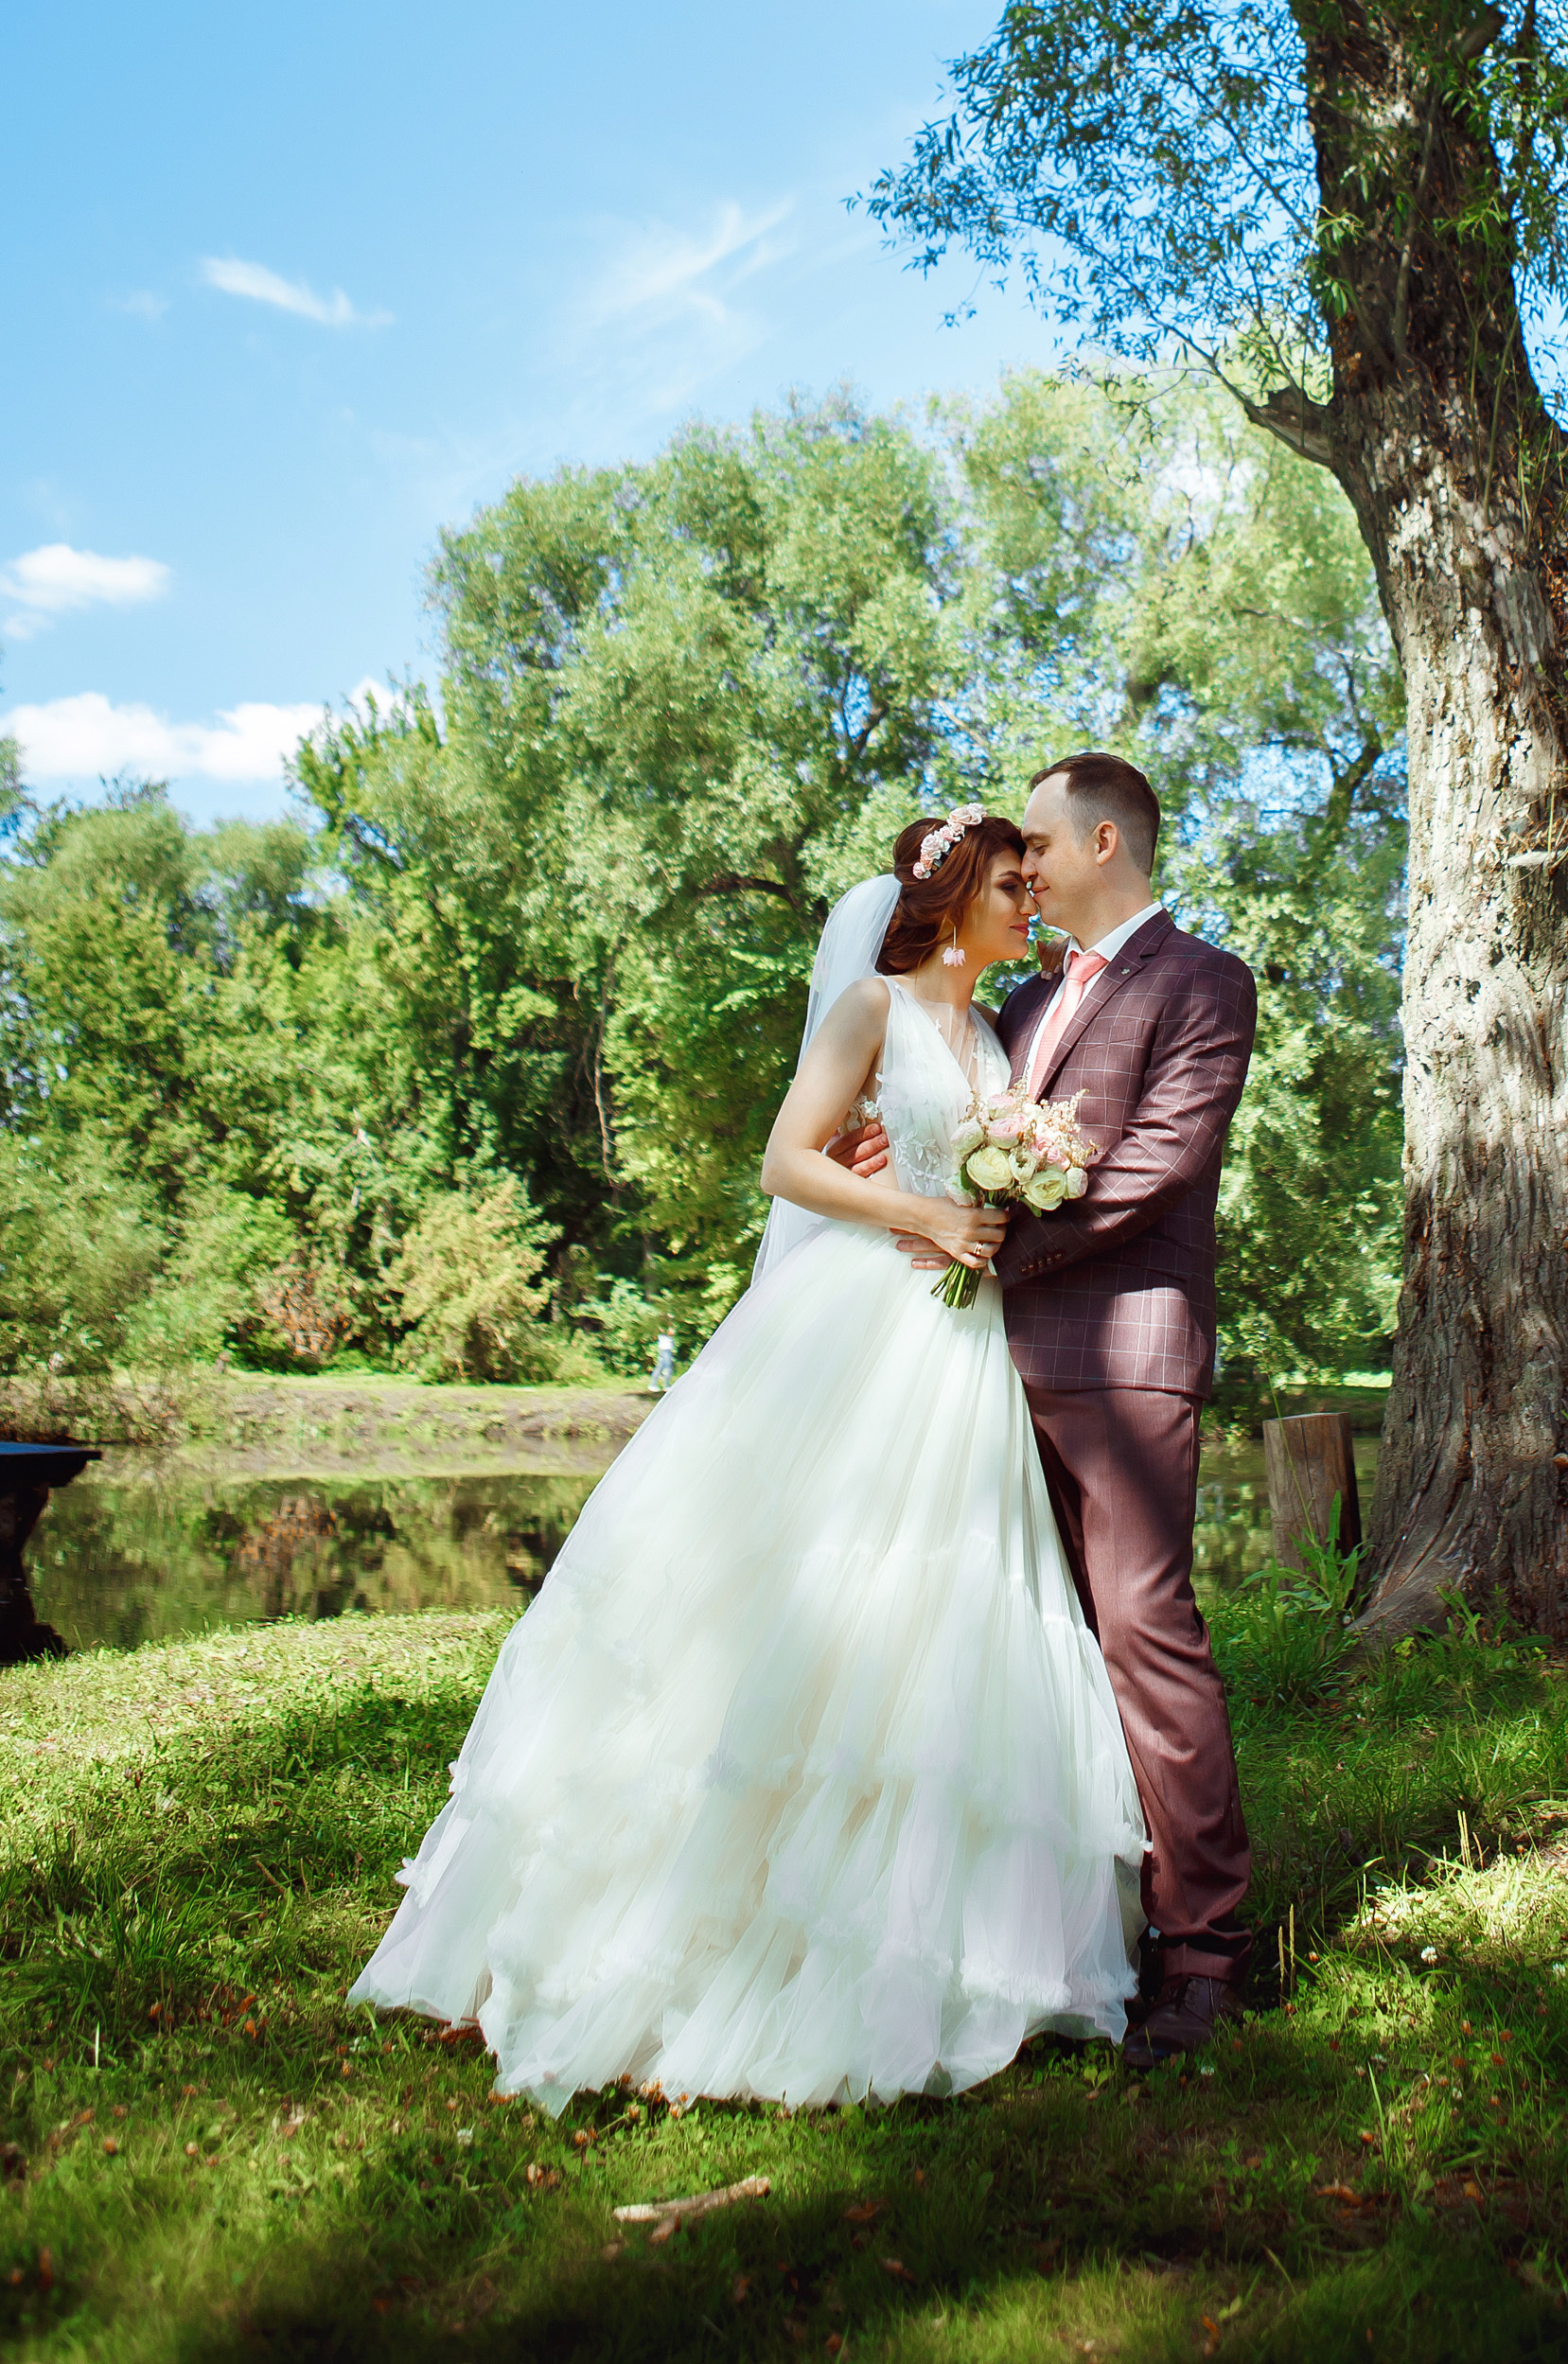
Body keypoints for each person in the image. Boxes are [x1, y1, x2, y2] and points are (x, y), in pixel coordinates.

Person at [347, 811, 1145, 2113]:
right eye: (1011, 882)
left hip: (956, 1348)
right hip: (856, 1317)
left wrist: (1002, 1196)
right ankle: (700, 1910)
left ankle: (939, 1930)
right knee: (799, 1576)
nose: (1030, 898)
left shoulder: (995, 1031)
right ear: (950, 897)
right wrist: (924, 1209)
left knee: (936, 1599)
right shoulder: (871, 1010)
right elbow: (784, 1159)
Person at [850, 750, 1259, 2068]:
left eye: (1034, 840)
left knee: (1143, 1630)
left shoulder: (1202, 982)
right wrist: (896, 1163)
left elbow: (1151, 1165)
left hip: (1121, 1352)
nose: (1019, 865)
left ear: (1100, 839)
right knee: (1023, 1639)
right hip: (984, 1363)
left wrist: (982, 1244)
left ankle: (1205, 1950)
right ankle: (1054, 1927)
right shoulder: (1021, 1000)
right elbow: (954, 1118)